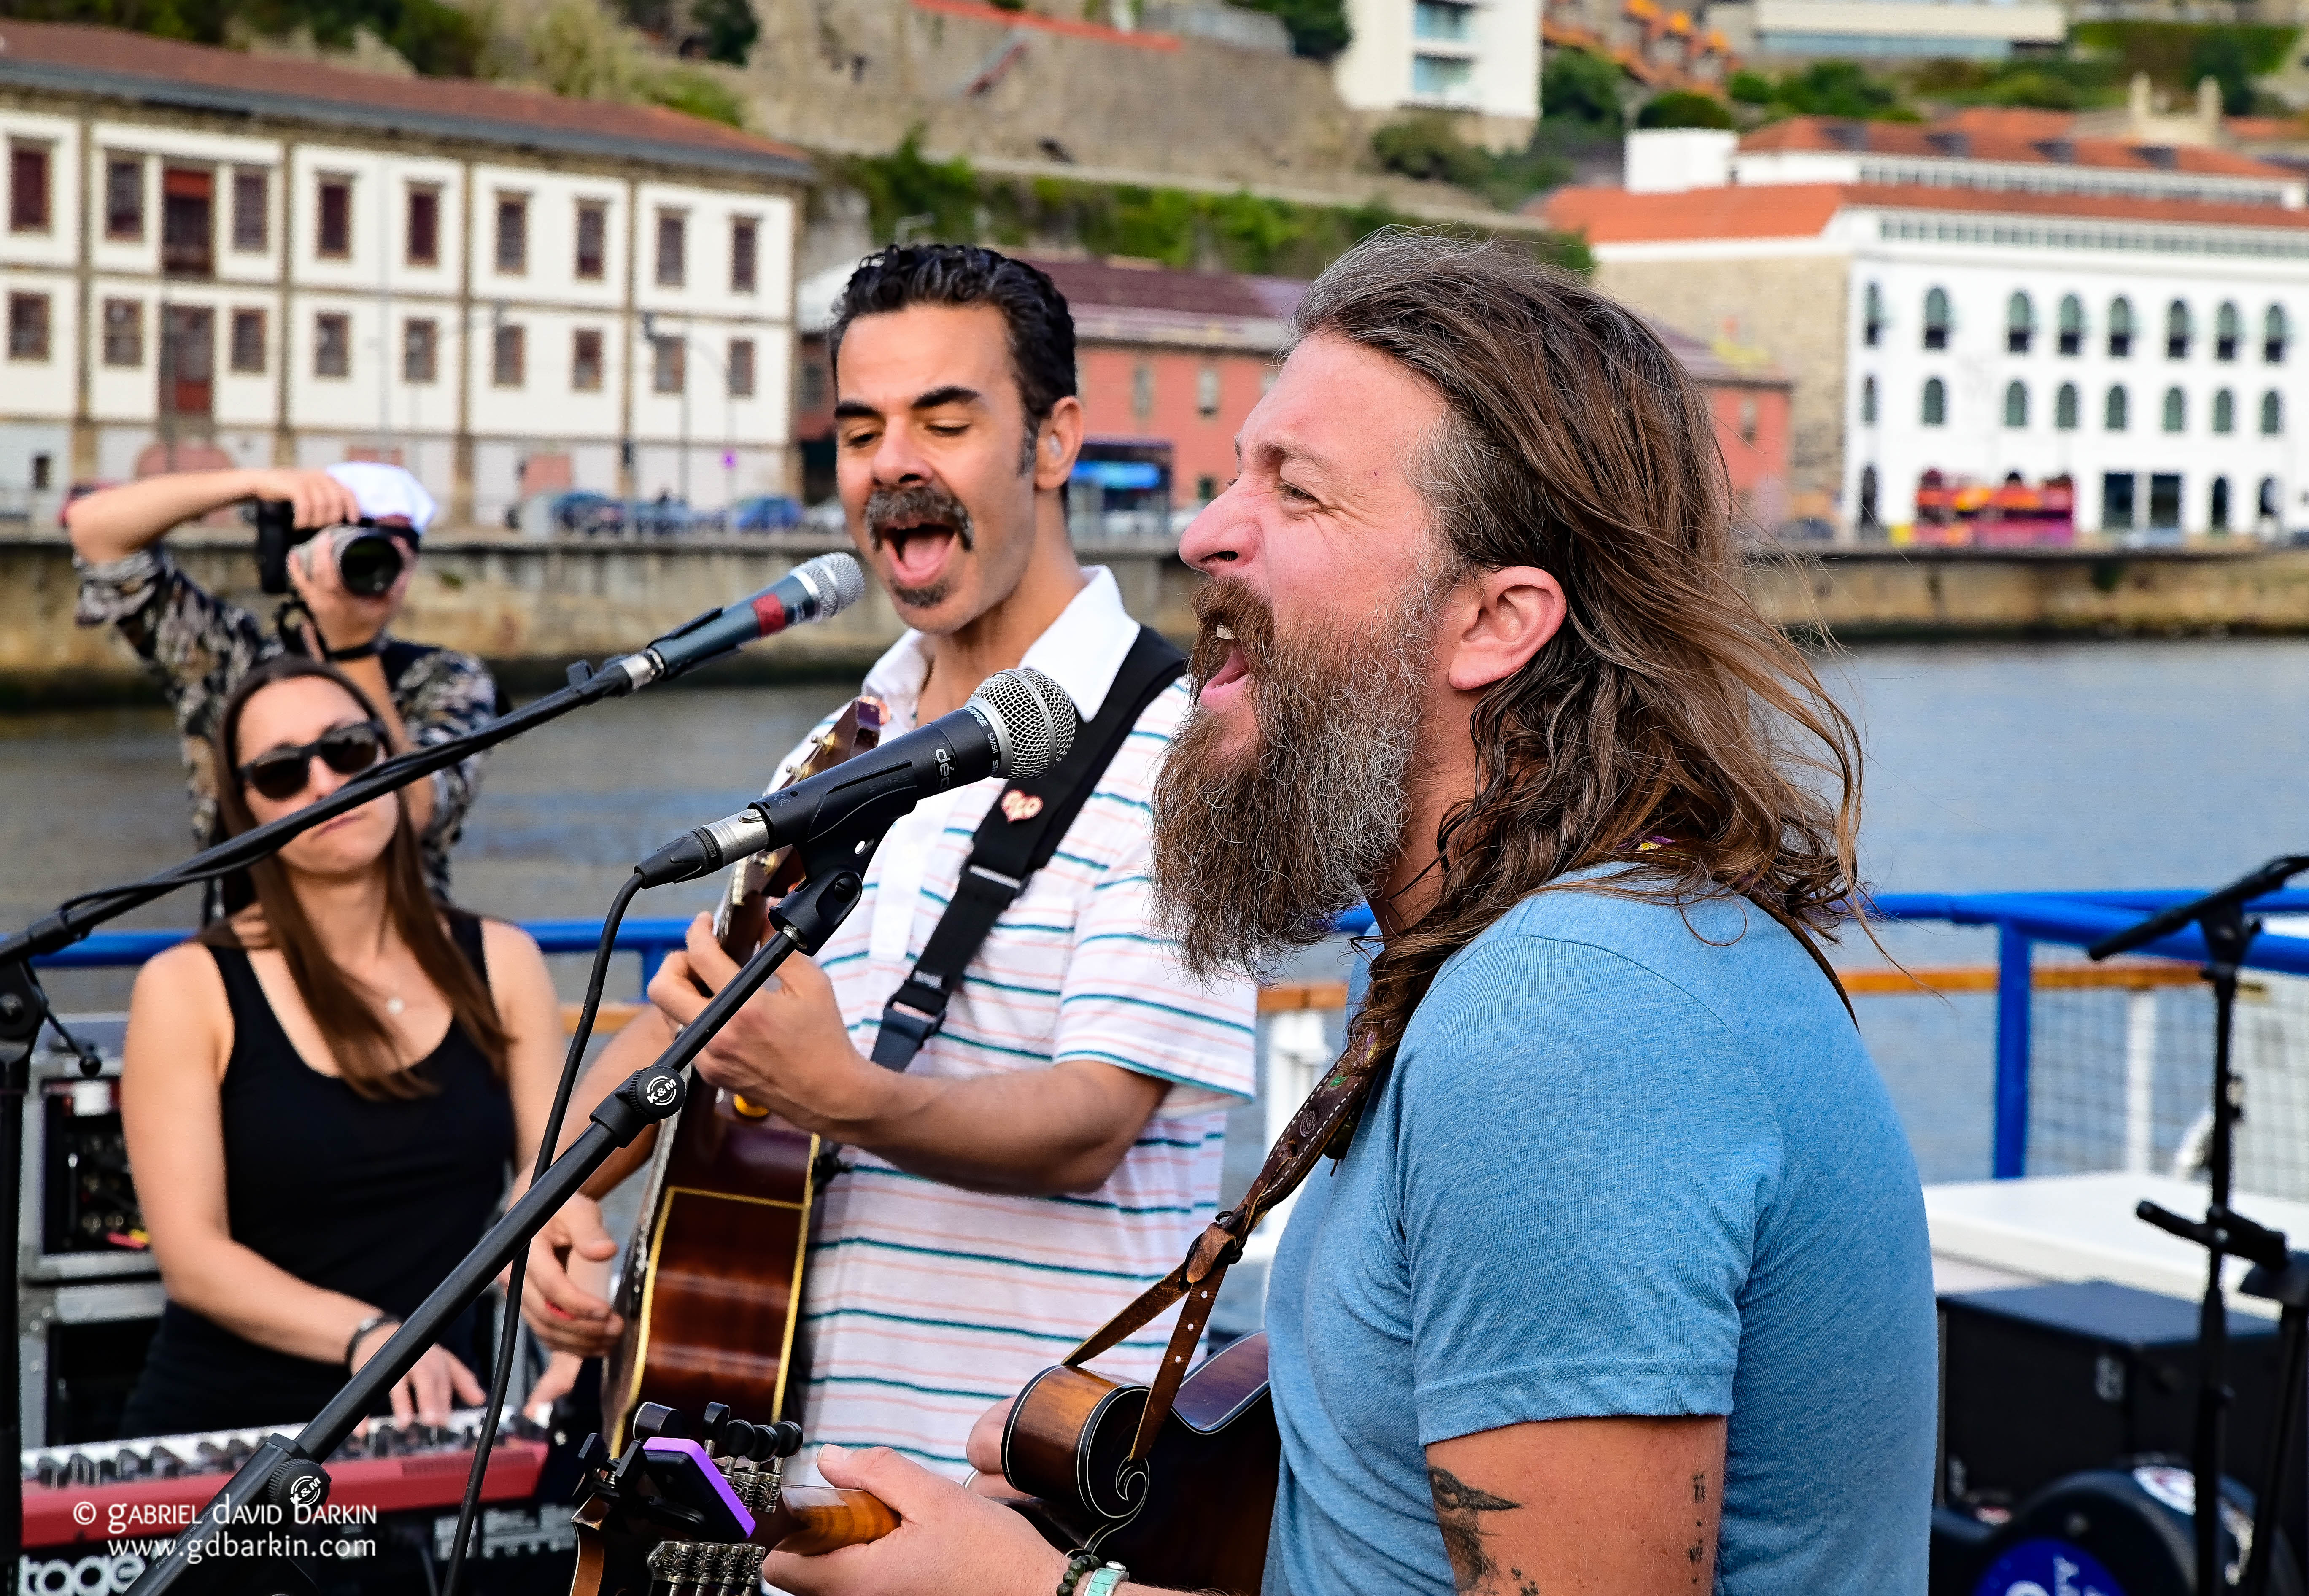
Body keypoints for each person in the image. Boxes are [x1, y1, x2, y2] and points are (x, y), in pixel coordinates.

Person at [756, 233, 1938, 1594]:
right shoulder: (1557, 956)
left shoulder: (1570, 1023)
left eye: (1294, 492)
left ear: (1494, 622)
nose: (1203, 531)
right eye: (1236, 469)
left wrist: (1023, 1592)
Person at [518, 245, 1258, 1474]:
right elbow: (697, 1015)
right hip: (787, 1502)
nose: (894, 461)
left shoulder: (1185, 753)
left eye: (945, 419)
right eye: (861, 429)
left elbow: (1092, 1121)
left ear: (1056, 440)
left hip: (1024, 1506)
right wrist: (557, 1194)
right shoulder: (835, 745)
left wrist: (843, 1094)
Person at [117, 655, 562, 1434]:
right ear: (245, 811)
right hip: (235, 1433)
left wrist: (573, 1324)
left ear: (392, 757)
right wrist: (370, 1336)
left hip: (438, 1423)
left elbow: (552, 1185)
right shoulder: (187, 985)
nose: (325, 781)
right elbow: (191, 1256)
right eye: (283, 771)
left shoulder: (503, 960)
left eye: (349, 748)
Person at [69, 462, 502, 907]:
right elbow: (95, 532)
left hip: (399, 945)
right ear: (302, 554)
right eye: (357, 540)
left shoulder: (446, 679)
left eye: (402, 545)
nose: (382, 564)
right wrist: (254, 483)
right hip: (250, 950)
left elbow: (417, 811)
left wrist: (354, 651)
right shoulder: (232, 661)